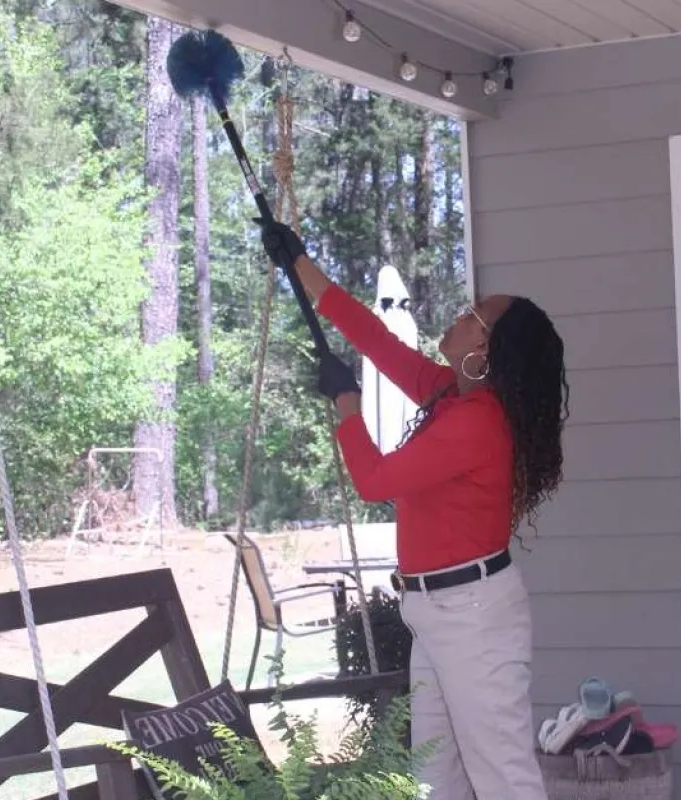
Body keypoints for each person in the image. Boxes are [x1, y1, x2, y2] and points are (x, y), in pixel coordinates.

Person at [259, 220, 568, 800]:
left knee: (503, 777)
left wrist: (347, 404)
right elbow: (377, 341)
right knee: (436, 774)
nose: (460, 316)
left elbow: (375, 481)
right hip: (438, 610)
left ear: (486, 349)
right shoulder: (454, 397)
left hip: (471, 616)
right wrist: (300, 264)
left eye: (474, 315)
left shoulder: (479, 421)